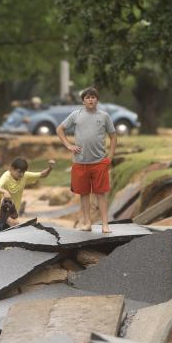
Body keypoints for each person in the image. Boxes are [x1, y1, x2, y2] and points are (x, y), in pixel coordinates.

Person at [56, 86, 117, 233]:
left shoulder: (104, 116)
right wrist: (68, 145)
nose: (90, 99)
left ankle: (104, 224)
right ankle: (87, 222)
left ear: (97, 100)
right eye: (87, 97)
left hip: (99, 162)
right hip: (80, 163)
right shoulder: (76, 115)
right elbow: (59, 129)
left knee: (101, 194)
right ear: (83, 101)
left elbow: (113, 136)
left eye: (93, 97)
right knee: (83, 194)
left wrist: (109, 157)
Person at [0, 157, 55, 231]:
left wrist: (50, 168)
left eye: (23, 172)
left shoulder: (24, 176)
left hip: (12, 211)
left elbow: (42, 175)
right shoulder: (6, 176)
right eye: (19, 171)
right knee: (14, 224)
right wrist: (5, 192)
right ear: (11, 169)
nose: (21, 174)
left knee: (5, 231)